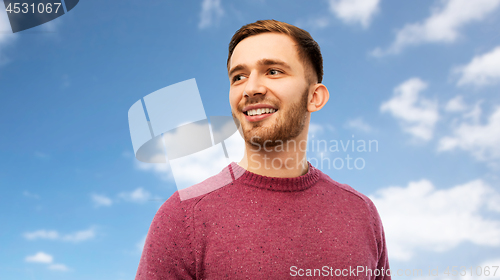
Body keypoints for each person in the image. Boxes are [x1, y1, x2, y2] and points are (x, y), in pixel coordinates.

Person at [135, 19, 391, 279]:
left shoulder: (361, 213)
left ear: (314, 97)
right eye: (239, 77)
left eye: (273, 71)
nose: (251, 88)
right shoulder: (182, 216)